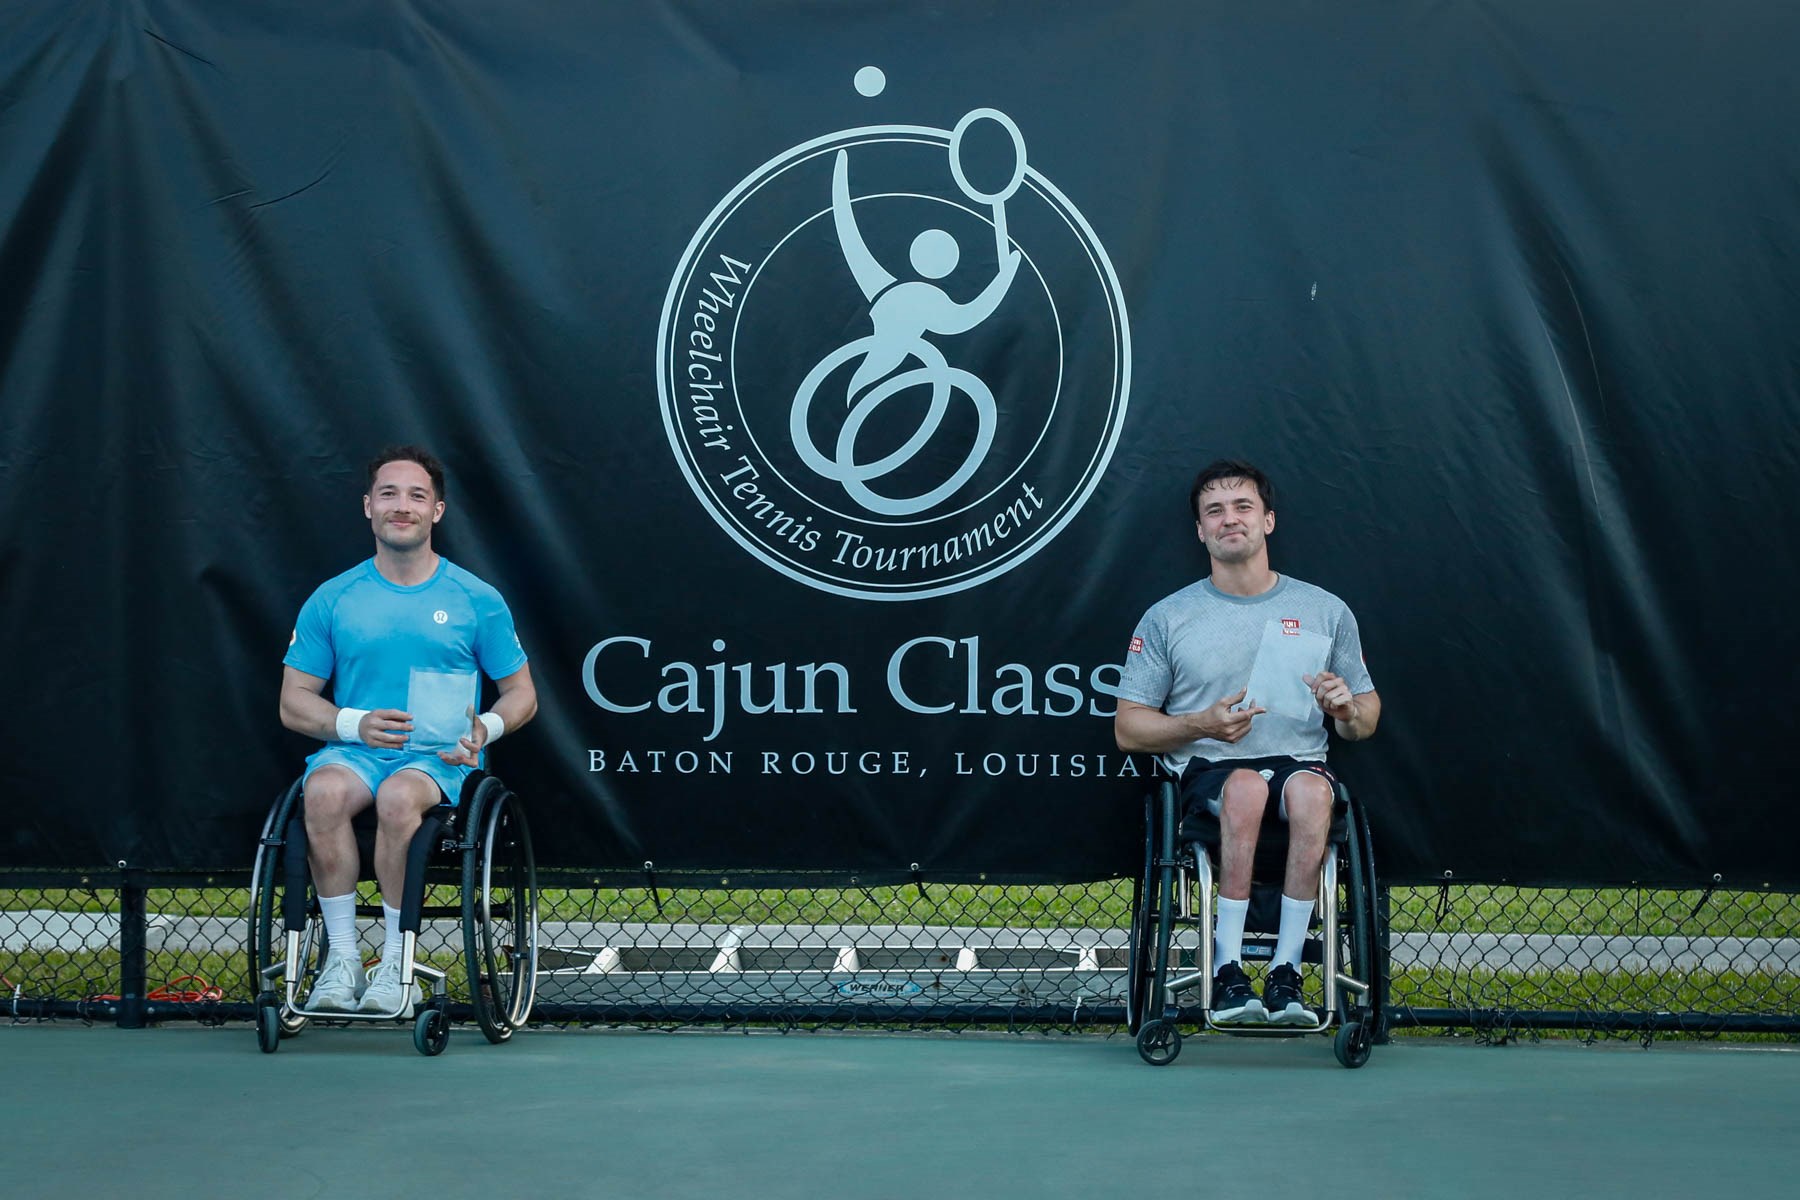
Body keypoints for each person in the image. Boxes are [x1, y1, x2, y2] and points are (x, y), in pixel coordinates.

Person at [1114, 460, 1379, 1025]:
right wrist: (1199, 725)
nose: (1229, 519)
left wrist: (1346, 709)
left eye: (1242, 507)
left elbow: (1365, 718)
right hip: (1212, 768)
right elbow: (1128, 728)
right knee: (1243, 789)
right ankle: (1227, 971)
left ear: (1268, 521)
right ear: (1200, 531)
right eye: (1215, 511)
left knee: (1311, 793)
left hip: (1299, 764)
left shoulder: (1324, 610)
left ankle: (1287, 975)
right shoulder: (1169, 616)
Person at [278, 445, 537, 1014]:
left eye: (417, 495)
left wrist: (486, 728)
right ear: (368, 506)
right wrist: (356, 724)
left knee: (399, 799)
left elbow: (523, 694)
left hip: (439, 760)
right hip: (355, 752)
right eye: (389, 494)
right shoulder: (334, 598)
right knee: (320, 793)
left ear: (437, 511)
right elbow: (294, 704)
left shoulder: (476, 599)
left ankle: (398, 968)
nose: (403, 506)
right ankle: (341, 963)